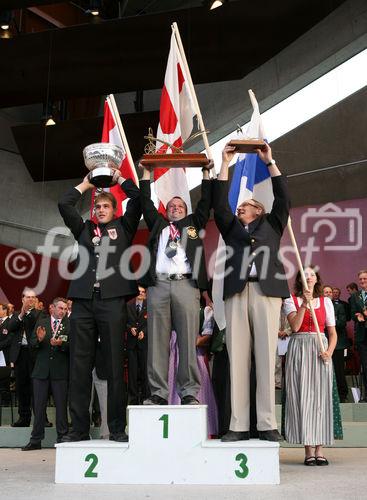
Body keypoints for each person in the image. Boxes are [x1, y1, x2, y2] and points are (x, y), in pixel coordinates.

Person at [213, 143, 290, 442]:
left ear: (259, 209)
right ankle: (239, 425)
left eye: (245, 204)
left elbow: (284, 196)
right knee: (238, 359)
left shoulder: (273, 224)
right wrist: (224, 164)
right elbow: (219, 205)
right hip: (236, 293)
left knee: (266, 358)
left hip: (266, 292)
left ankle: (267, 424)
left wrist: (270, 162)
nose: (239, 206)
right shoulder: (231, 228)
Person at [58, 169, 141, 442]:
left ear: (114, 209)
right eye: (98, 206)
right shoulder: (83, 228)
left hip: (112, 301)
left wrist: (119, 179)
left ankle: (117, 427)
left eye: (106, 206)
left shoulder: (124, 227)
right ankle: (79, 429)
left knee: (116, 365)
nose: (101, 209)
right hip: (83, 301)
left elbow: (138, 199)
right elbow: (64, 204)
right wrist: (85, 184)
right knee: (79, 367)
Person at [139, 161, 213, 405]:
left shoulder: (193, 224)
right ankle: (158, 393)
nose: (176, 208)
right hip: (158, 285)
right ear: (166, 210)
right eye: (171, 206)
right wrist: (146, 176)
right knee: (157, 342)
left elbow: (206, 203)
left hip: (186, 285)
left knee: (187, 340)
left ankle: (189, 391)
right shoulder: (158, 225)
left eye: (180, 206)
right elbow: (145, 203)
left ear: (185, 209)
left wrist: (206, 174)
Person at [284, 267, 337, 465]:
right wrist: (305, 304)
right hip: (299, 348)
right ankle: (308, 450)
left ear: (317, 279)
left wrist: (329, 352)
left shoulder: (326, 302)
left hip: (320, 348)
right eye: (305, 274)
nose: (309, 276)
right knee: (303, 397)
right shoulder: (291, 300)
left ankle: (320, 449)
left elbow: (332, 333)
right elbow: (295, 327)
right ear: (299, 279)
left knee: (321, 399)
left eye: (312, 274)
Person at [22, 298, 70, 450]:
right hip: (41, 371)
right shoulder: (41, 321)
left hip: (60, 371)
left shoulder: (69, 323)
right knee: (39, 406)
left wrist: (62, 344)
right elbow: (32, 343)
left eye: (65, 309)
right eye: (60, 308)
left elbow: (73, 344)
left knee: (61, 407)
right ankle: (36, 440)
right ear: (52, 308)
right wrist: (40, 339)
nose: (63, 311)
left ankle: (62, 438)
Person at [9, 288, 45, 427]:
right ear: (22, 299)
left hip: (34, 355)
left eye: (33, 297)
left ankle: (42, 418)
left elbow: (34, 325)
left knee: (37, 387)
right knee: (21, 387)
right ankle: (24, 418)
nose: (30, 299)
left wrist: (27, 313)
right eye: (28, 297)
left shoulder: (40, 314)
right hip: (20, 355)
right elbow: (11, 328)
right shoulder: (16, 315)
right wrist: (22, 313)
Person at [324, 285, 349, 402]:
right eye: (326, 292)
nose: (328, 294)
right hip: (323, 343)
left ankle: (342, 395)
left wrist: (330, 321)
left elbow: (342, 323)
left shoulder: (339, 307)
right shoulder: (317, 307)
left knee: (339, 371)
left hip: (338, 344)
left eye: (330, 292)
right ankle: (326, 396)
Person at [126, 286, 149, 405]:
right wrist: (130, 329)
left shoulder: (150, 305)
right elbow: (124, 321)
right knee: (132, 373)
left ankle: (146, 398)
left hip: (144, 344)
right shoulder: (128, 305)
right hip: (131, 345)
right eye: (139, 292)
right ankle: (133, 399)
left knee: (145, 372)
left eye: (143, 292)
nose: (141, 294)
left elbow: (152, 322)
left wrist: (144, 331)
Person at [349, 270, 367, 402]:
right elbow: (352, 314)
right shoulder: (355, 296)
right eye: (360, 279)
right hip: (362, 336)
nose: (362, 281)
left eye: (365, 279)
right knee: (365, 366)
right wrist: (358, 316)